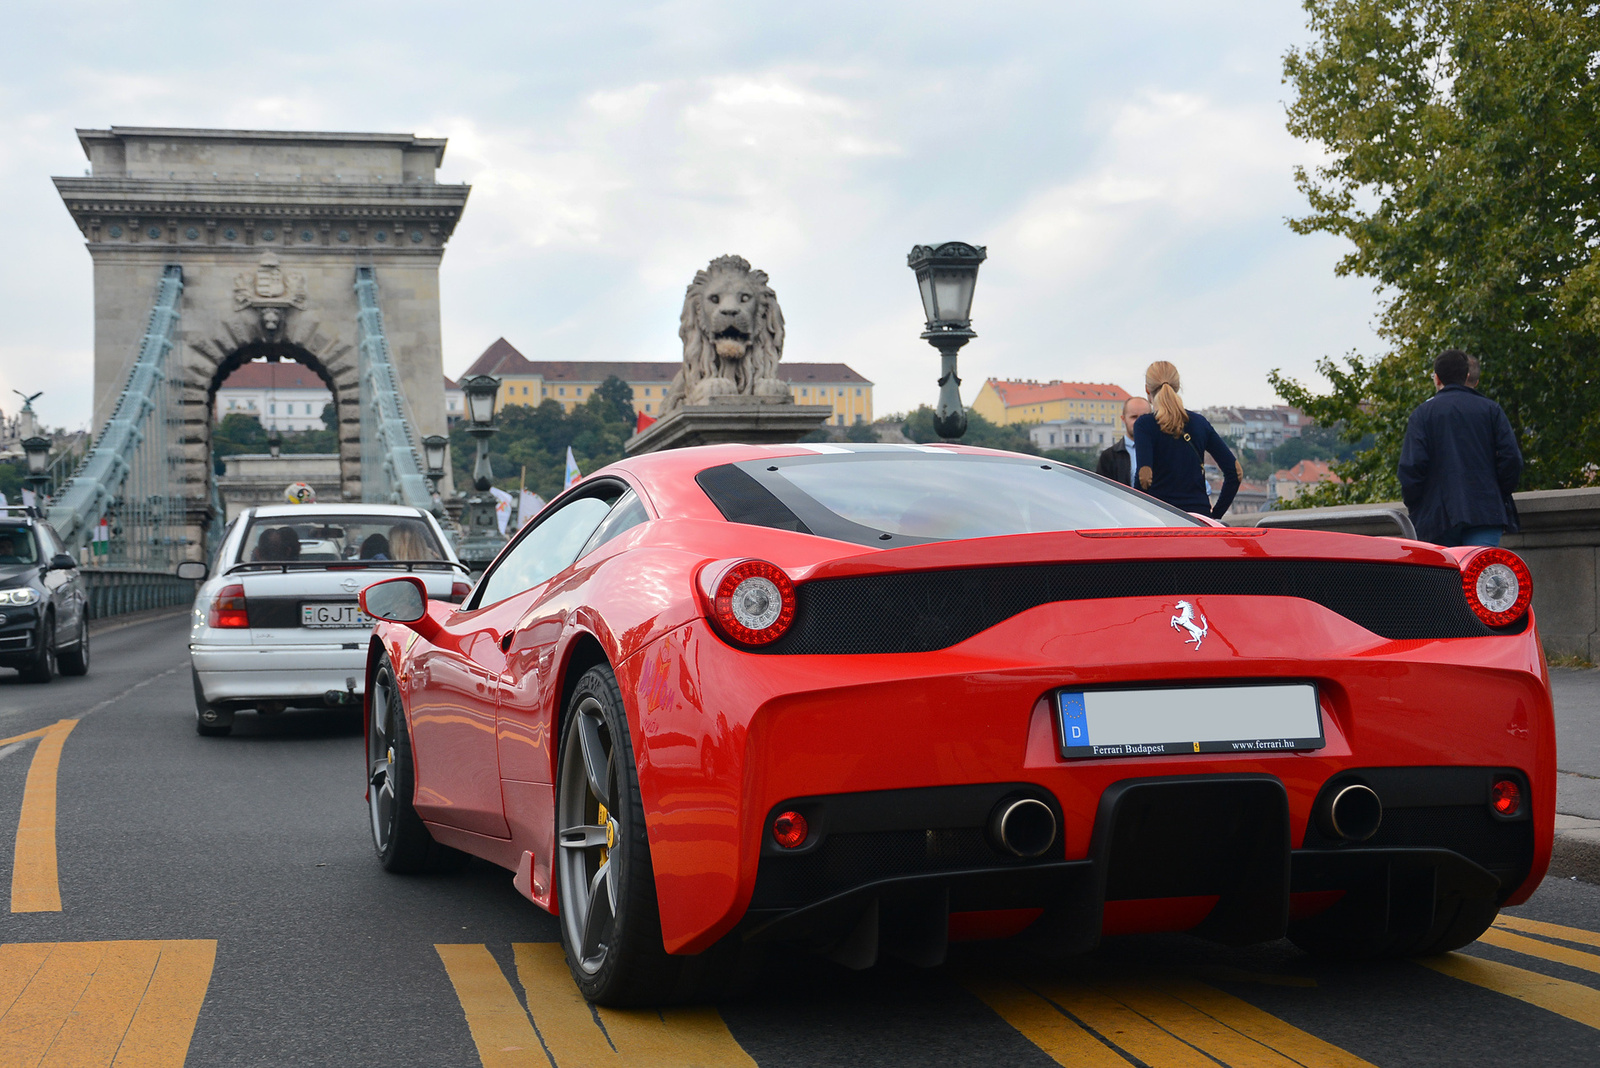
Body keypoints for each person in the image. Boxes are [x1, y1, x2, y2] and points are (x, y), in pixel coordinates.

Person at [1398, 349, 1522, 546]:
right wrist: (1497, 491)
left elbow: (1411, 467)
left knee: (1445, 575)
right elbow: (1511, 459)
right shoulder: (1491, 410)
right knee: (1478, 572)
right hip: (1485, 511)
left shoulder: (1422, 415)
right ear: (1466, 376)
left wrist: (1417, 505)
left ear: (1437, 379)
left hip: (1437, 515)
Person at [1133, 361, 1241, 520]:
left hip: (1159, 518)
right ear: (1177, 386)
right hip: (1198, 518)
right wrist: (1214, 515)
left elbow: (1144, 477)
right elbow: (1236, 472)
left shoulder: (1144, 425)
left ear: (1147, 389)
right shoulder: (1200, 423)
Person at [1097, 396, 1152, 486]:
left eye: (1143, 417)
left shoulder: (1162, 452)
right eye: (1134, 417)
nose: (1138, 422)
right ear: (1123, 419)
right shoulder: (1108, 457)